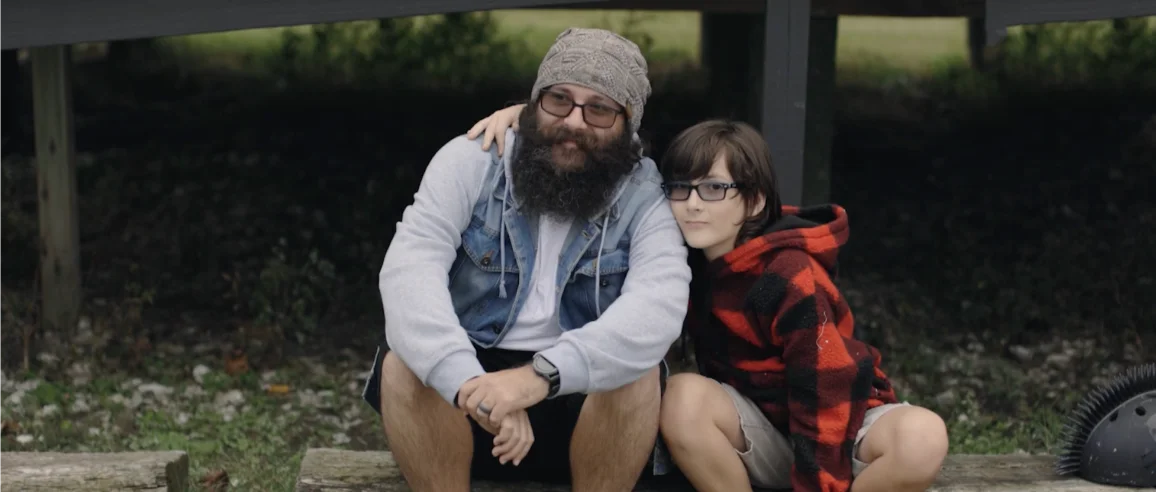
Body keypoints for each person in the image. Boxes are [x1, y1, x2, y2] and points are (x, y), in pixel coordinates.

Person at [466, 112, 951, 492]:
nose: (693, 203)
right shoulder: (681, 261)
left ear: (755, 201)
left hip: (837, 427)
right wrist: (526, 117)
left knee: (923, 437)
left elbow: (823, 390)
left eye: (715, 189)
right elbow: (609, 149)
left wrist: (817, 483)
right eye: (681, 188)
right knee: (680, 396)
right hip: (756, 430)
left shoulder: (788, 274)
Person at [361, 27, 692, 492]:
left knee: (634, 374)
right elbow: (408, 274)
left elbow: (658, 310)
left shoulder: (646, 196)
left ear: (628, 124)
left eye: (598, 109)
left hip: (584, 409)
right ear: (534, 104)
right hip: (463, 404)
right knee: (405, 365)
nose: (574, 122)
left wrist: (537, 379)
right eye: (559, 99)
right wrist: (471, 385)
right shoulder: (470, 161)